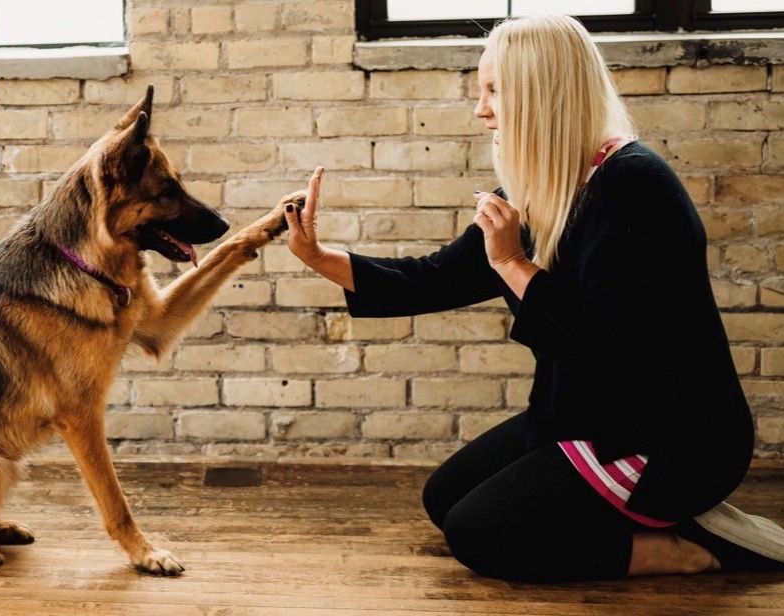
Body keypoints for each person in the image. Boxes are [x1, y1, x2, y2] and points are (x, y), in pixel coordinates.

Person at [278, 14, 784, 582]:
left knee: (480, 534)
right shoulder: (545, 185)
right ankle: (654, 522)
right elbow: (433, 278)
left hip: (665, 438)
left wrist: (513, 264)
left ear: (542, 93)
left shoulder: (636, 188)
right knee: (445, 499)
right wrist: (320, 258)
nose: (481, 110)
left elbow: (609, 353)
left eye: (494, 91)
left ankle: (688, 549)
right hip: (585, 414)